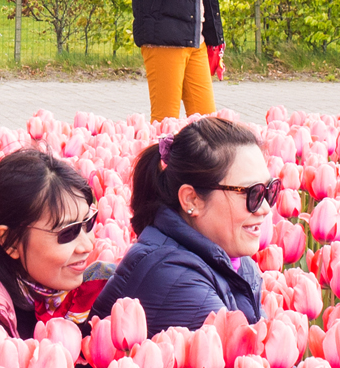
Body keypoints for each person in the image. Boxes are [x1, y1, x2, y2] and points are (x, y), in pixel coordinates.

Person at [0, 147, 112, 368]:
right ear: (9, 241)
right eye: (68, 232)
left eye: (89, 223)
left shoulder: (49, 287)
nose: (87, 245)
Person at [95, 116, 268, 334]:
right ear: (192, 200)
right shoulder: (174, 279)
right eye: (252, 193)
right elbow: (246, 363)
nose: (265, 208)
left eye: (269, 190)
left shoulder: (239, 265)